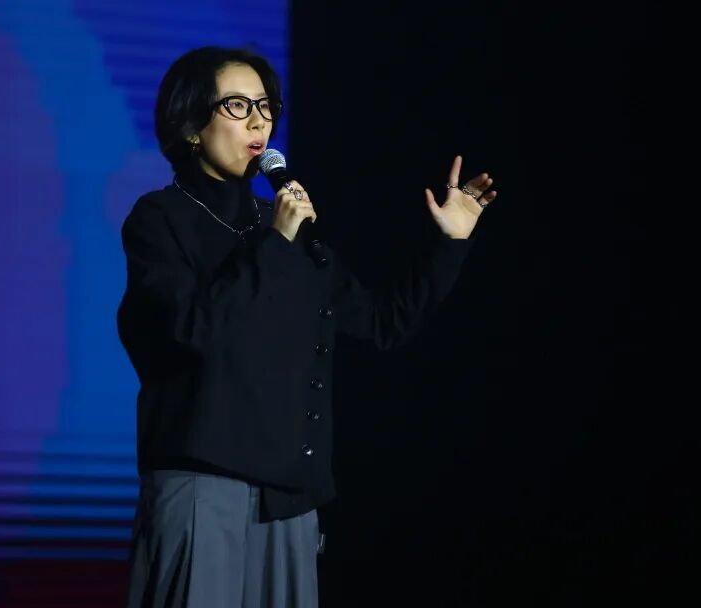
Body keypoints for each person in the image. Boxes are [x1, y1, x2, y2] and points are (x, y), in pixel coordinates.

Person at [115, 46, 496, 608]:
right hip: (203, 485)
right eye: (237, 105)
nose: (259, 121)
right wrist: (275, 243)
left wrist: (449, 244)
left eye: (265, 106)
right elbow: (193, 332)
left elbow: (382, 323)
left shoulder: (282, 227)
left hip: (290, 496)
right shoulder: (161, 219)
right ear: (191, 125)